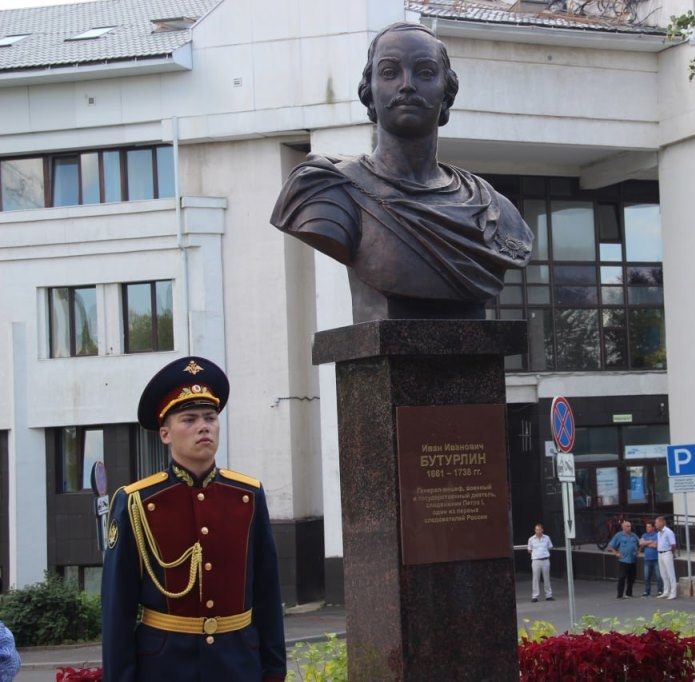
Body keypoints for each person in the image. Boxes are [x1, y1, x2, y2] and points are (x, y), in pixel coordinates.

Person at [271, 22, 533, 323]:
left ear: (447, 91)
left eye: (425, 72)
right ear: (369, 90)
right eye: (389, 72)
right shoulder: (326, 189)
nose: (407, 85)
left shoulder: (494, 208)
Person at [101, 356, 286, 682]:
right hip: (165, 667)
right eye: (189, 419)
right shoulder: (137, 502)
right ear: (165, 433)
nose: (204, 426)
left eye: (210, 418)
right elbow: (118, 609)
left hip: (238, 664)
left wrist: (273, 670)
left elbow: (267, 593)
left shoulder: (247, 496)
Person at [607, 520, 641, 598]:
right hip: (623, 560)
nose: (630, 527)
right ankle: (619, 595)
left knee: (632, 578)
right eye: (628, 526)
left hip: (633, 560)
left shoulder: (634, 535)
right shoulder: (619, 535)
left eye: (630, 526)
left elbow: (640, 543)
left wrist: (638, 551)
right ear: (623, 527)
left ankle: (629, 593)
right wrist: (616, 553)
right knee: (622, 577)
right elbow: (610, 546)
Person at [527, 523, 554, 602]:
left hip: (545, 560)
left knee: (547, 578)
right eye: (536, 530)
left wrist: (543, 552)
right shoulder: (531, 539)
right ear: (535, 530)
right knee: (535, 579)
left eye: (539, 529)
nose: (538, 531)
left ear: (542, 530)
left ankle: (548, 595)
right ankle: (535, 596)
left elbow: (550, 547)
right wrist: (536, 553)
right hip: (536, 561)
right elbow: (529, 550)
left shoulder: (547, 538)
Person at [655, 516, 678, 599]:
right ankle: (666, 591)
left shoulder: (668, 532)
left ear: (661, 523)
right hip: (660, 553)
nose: (655, 525)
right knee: (663, 574)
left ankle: (673, 593)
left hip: (667, 553)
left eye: (656, 523)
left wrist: (672, 553)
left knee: (670, 573)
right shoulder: (658, 533)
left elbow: (673, 544)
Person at [639, 521, 663, 597]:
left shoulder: (657, 535)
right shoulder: (644, 535)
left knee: (659, 576)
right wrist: (651, 542)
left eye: (649, 527)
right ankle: (647, 591)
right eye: (646, 527)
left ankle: (660, 590)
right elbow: (640, 543)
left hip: (656, 558)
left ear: (653, 528)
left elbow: (656, 545)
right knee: (646, 577)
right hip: (647, 559)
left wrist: (646, 543)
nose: (647, 528)